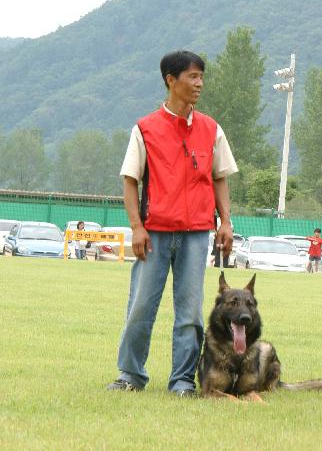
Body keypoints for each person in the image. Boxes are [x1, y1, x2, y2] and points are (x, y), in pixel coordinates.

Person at [107, 50, 238, 397]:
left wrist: (226, 221)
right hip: (154, 234)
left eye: (201, 77)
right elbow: (130, 180)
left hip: (196, 232)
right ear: (171, 80)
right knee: (140, 308)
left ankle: (182, 382)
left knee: (191, 314)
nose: (199, 84)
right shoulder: (145, 129)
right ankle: (131, 375)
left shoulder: (211, 129)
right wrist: (136, 227)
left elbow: (220, 177)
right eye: (193, 77)